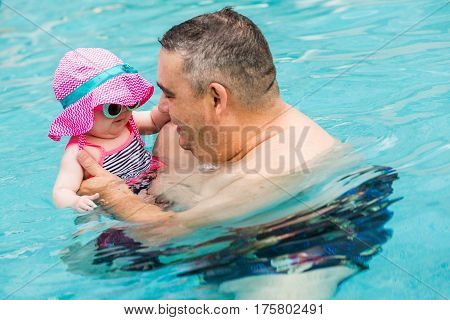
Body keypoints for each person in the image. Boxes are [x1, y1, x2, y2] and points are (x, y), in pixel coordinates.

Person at [77, 8, 338, 227]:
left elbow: (165, 234)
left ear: (216, 98)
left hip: (301, 244)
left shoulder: (274, 173)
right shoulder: (185, 134)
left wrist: (115, 196)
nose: (163, 108)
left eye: (170, 95)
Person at [50, 48, 170, 212]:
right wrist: (74, 202)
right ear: (83, 113)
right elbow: (61, 191)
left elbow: (154, 121)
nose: (124, 111)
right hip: (122, 203)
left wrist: (169, 104)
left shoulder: (127, 122)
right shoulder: (79, 151)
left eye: (128, 102)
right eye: (113, 107)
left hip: (154, 183)